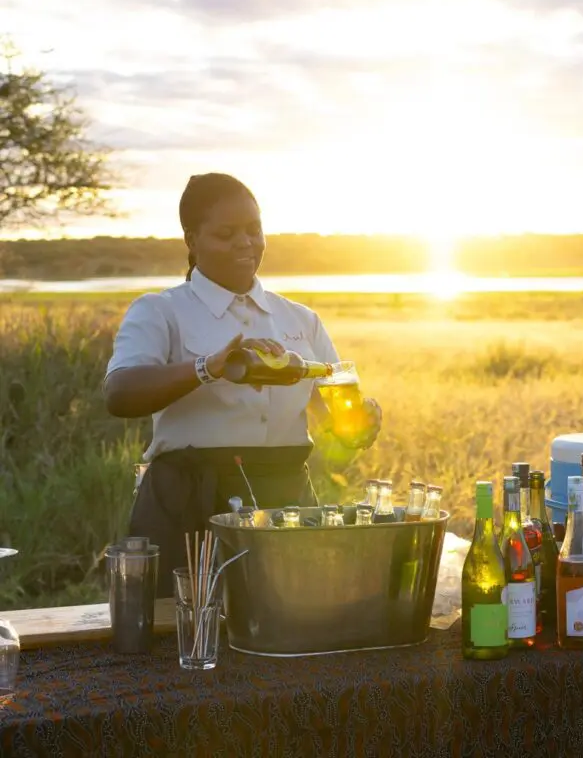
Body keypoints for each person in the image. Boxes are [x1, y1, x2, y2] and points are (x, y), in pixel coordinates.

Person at [103, 172, 382, 595]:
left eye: (254, 230)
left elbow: (332, 426)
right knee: (182, 641)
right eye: (226, 234)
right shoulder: (161, 311)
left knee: (291, 633)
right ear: (192, 240)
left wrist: (357, 429)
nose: (246, 243)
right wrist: (208, 367)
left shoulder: (300, 320)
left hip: (286, 503)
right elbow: (119, 393)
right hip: (188, 502)